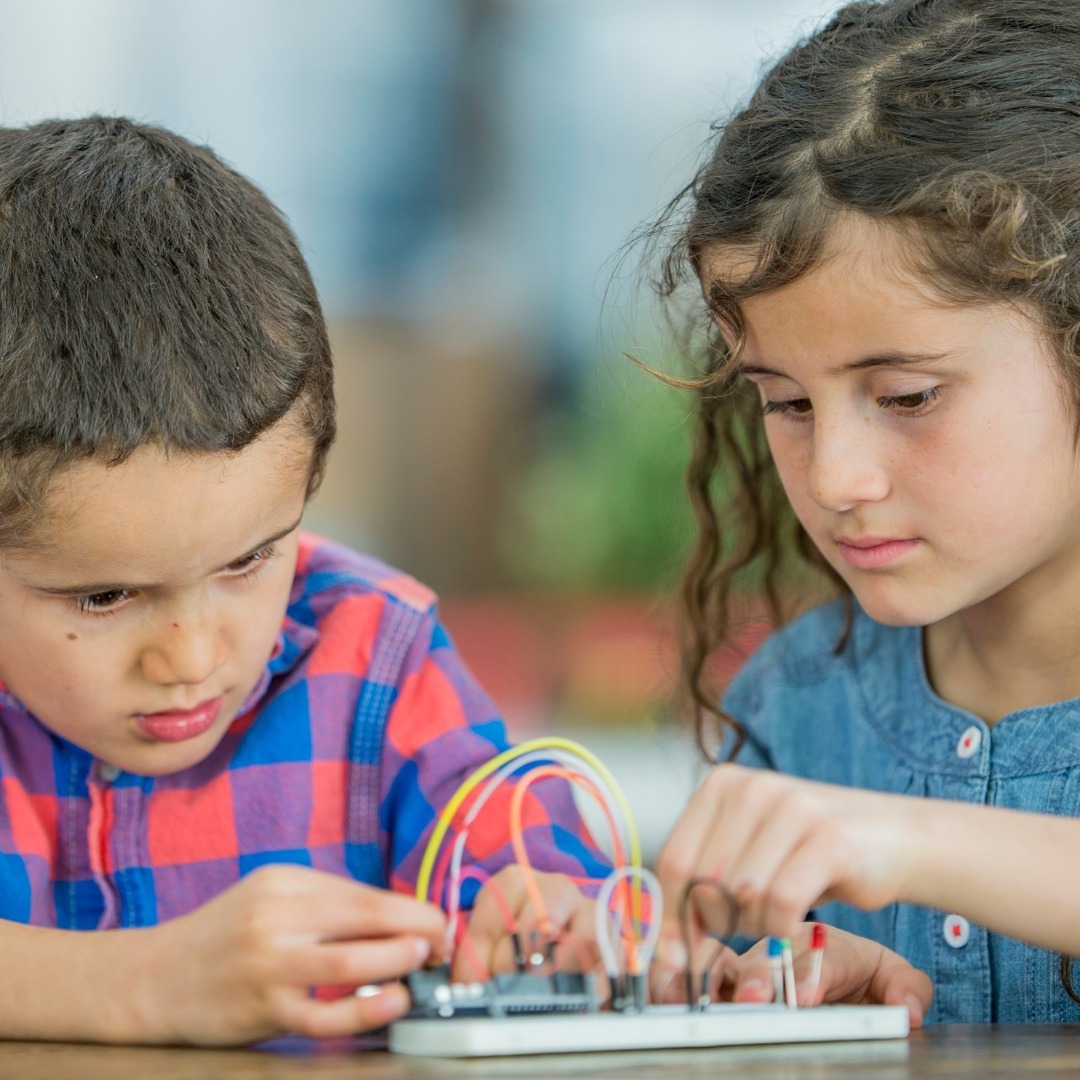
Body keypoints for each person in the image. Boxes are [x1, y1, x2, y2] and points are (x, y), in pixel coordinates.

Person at [0, 116, 605, 1045]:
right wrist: (139, 984)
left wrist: (546, 917)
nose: (193, 658)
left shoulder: (379, 663)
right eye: (105, 596)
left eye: (250, 559)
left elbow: (549, 880)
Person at [648, 0, 1080, 1026]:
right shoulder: (798, 707)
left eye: (907, 397)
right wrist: (770, 992)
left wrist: (907, 843)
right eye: (787, 403)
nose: (835, 476)